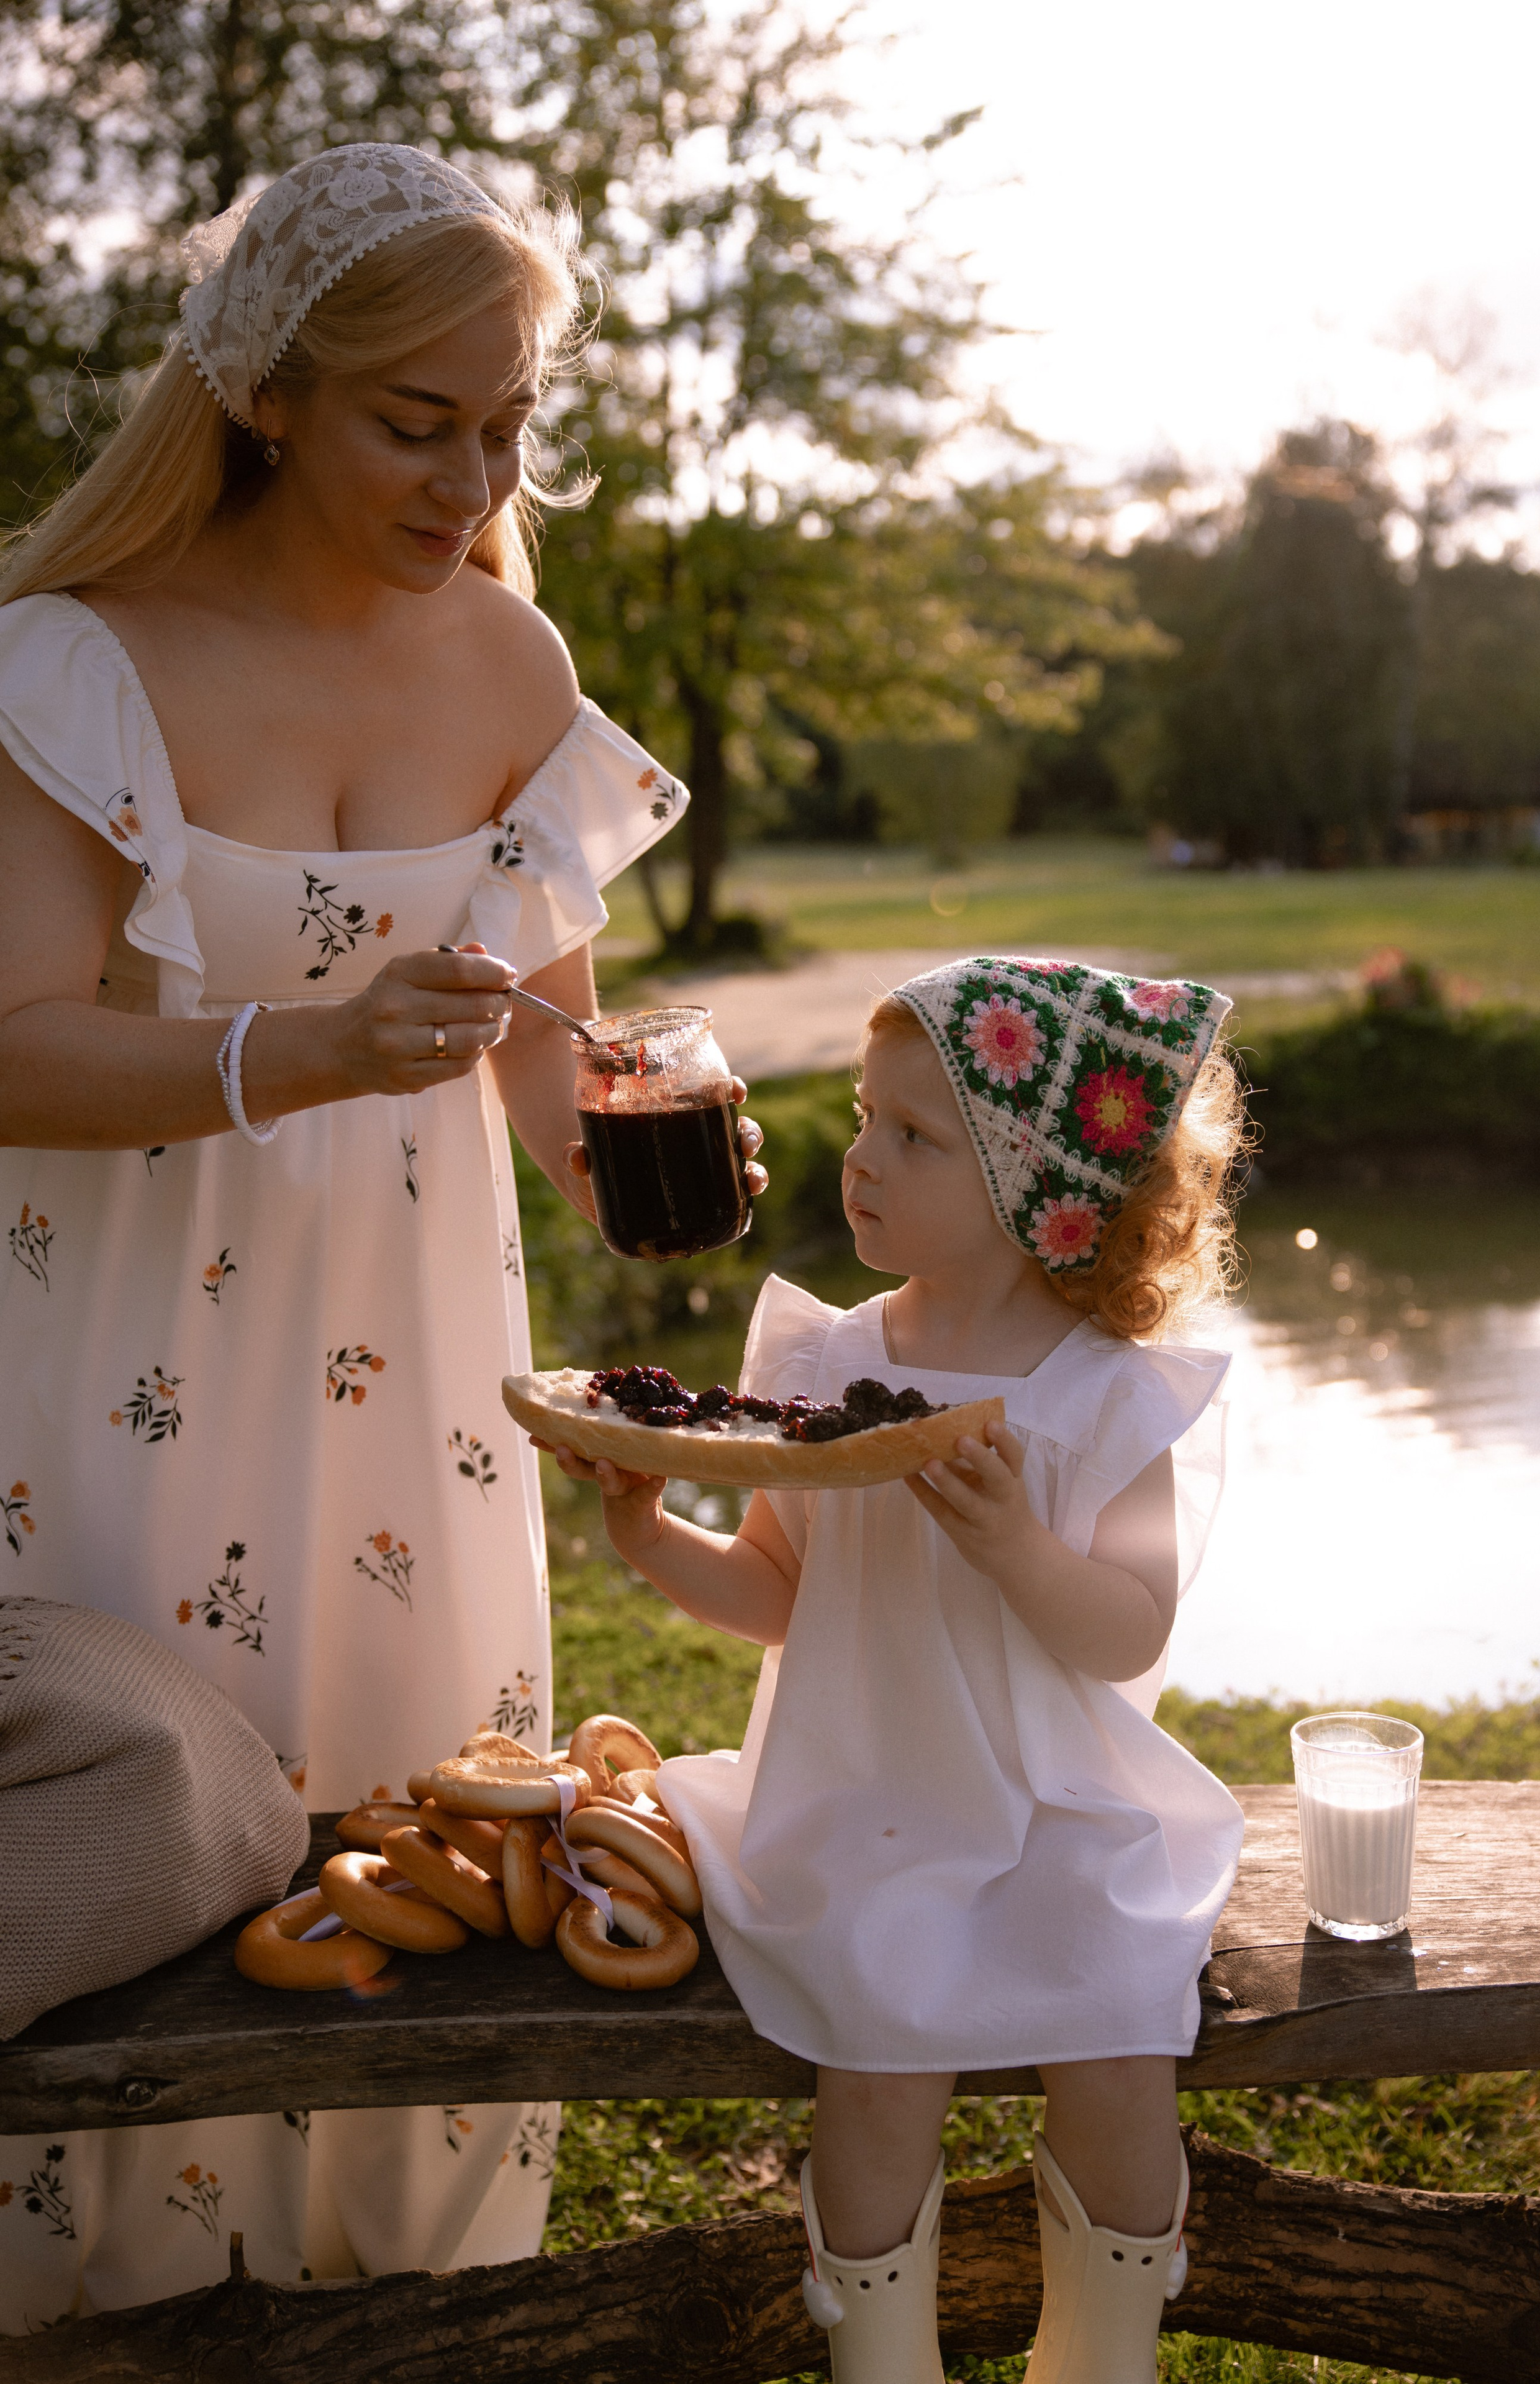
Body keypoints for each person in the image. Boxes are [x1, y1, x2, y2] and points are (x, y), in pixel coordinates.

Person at [0, 143, 763, 2325]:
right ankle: (87, 2322)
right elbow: (14, 1048)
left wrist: (647, 1142)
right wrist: (302, 1051)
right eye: (415, 424)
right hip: (126, 1363)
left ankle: (400, 2318)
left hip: (417, 1383)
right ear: (266, 393)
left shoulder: (511, 658)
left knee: (427, 1855)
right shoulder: (77, 665)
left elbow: (547, 1053)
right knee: (157, 1836)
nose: (473, 475)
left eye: (506, 423)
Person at [542, 955, 1246, 2384]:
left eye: (913, 1137)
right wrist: (642, 1525)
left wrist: (1015, 1549)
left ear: (1037, 1190)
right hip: (869, 1798)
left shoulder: (1105, 1386)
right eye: (865, 1119)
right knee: (875, 2059)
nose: (857, 1157)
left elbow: (1131, 1629)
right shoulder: (825, 1357)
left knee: (1119, 2047)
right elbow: (779, 1593)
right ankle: (882, 2360)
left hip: (1062, 1802)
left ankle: (1095, 2353)